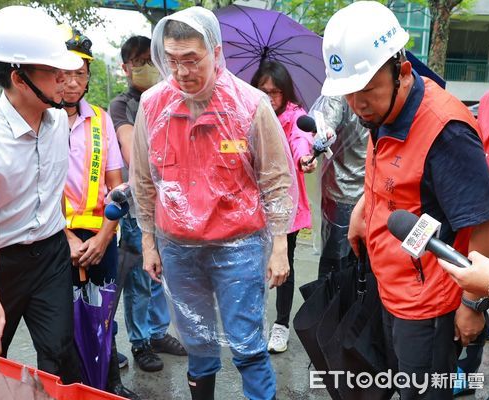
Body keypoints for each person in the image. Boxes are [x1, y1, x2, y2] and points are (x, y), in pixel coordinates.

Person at [322, 2, 489, 398]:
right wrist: (366, 206)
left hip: (428, 305)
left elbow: (483, 222)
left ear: (401, 70)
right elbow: (389, 169)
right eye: (348, 94)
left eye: (366, 91)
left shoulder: (445, 133)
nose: (357, 105)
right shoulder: (380, 112)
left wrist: (473, 304)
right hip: (390, 285)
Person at [130, 7, 296, 399]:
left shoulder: (250, 104)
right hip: (178, 249)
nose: (182, 71)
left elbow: (276, 180)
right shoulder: (153, 106)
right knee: (197, 345)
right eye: (172, 60)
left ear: (215, 52)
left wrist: (279, 248)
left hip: (239, 248)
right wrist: (149, 243)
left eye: (191, 60)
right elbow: (143, 181)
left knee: (248, 346)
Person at [0, 6, 83, 383]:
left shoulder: (57, 117)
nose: (68, 80)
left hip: (51, 256)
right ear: (19, 78)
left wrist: (67, 233)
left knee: (60, 353)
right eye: (56, 72)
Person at [60, 26, 139, 399]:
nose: (73, 82)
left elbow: (117, 186)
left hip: (102, 234)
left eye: (81, 73)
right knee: (64, 320)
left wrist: (106, 236)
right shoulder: (42, 122)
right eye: (66, 72)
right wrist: (69, 239)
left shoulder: (101, 120)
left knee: (104, 313)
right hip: (56, 237)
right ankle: (75, 387)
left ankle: (109, 384)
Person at [109, 35, 186, 373]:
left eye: (150, 61)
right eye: (138, 62)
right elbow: (131, 151)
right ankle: (140, 342)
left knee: (161, 272)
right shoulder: (123, 104)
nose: (145, 68)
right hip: (138, 198)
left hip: (169, 198)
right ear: (126, 68)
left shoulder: (175, 99)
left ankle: (157, 333)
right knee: (140, 276)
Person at [250, 60, 314, 354]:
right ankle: (252, 323)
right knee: (251, 265)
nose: (269, 97)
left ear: (285, 92)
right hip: (250, 205)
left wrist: (304, 159)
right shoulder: (247, 113)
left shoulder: (295, 116)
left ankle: (281, 325)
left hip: (284, 206)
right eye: (263, 90)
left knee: (282, 264)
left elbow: (302, 141)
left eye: (275, 92)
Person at [309, 95, 369, 279]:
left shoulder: (340, 90)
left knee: (340, 265)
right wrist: (324, 134)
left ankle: (335, 304)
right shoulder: (342, 94)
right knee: (341, 263)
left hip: (355, 193)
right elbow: (326, 128)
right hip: (347, 193)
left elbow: (326, 127)